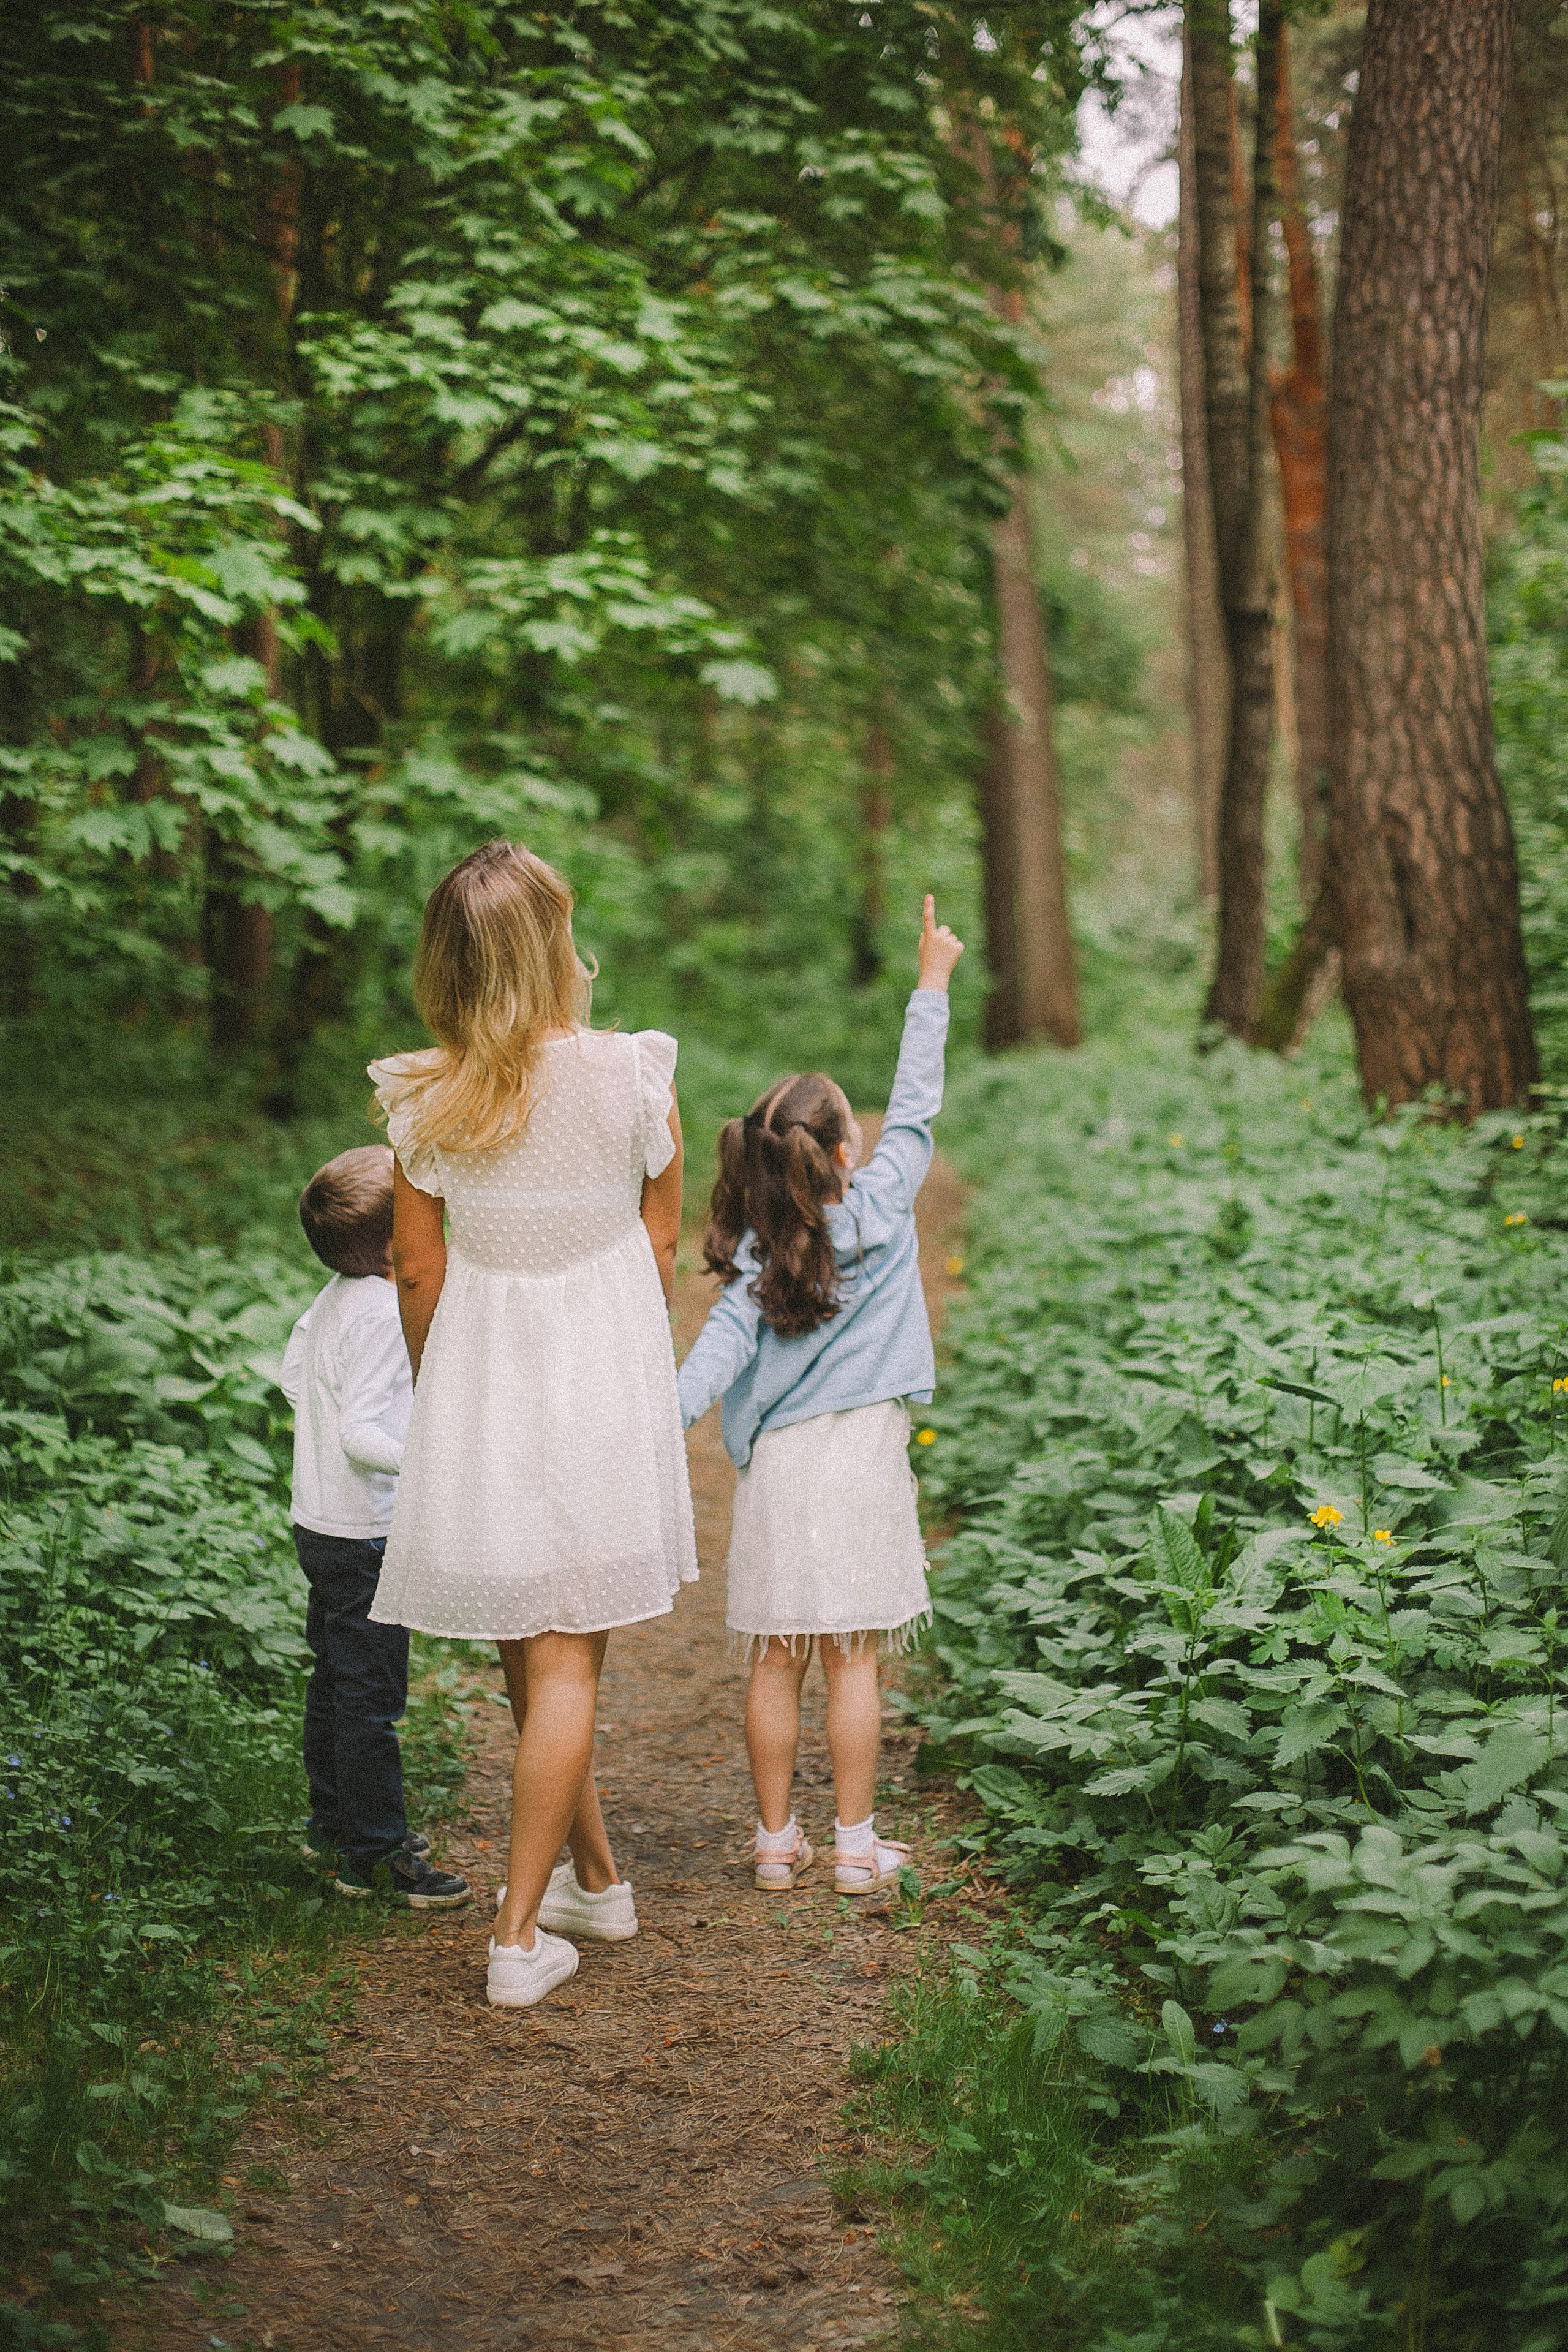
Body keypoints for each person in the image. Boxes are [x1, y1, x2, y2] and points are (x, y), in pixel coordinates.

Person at [369, 840, 696, 2007]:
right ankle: (522, 1935)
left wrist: (440, 1383)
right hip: (596, 1370)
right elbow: (662, 1235)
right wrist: (621, 1343)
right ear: (554, 943)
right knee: (556, 1650)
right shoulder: (633, 1073)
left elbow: (416, 1268)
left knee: (534, 1644)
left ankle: (588, 1888)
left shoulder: (427, 1095)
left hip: (483, 1375)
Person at [676, 894, 962, 1898]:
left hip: (784, 1473)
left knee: (776, 1658)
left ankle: (774, 1843)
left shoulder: (761, 1256)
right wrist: (931, 980)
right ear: (846, 1154)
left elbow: (706, 1370)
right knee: (853, 1661)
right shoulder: (885, 1203)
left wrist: (645, 1427)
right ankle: (854, 1846)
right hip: (863, 1462)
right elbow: (916, 1103)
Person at [279, 1146, 472, 1909]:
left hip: (319, 1522)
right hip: (364, 1534)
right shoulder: (385, 1315)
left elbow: (294, 1378)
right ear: (398, 1249)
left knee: (335, 1679)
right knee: (371, 1698)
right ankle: (377, 1856)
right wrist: (427, 1458)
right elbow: (361, 1433)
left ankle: (334, 1823)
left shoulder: (335, 1298)